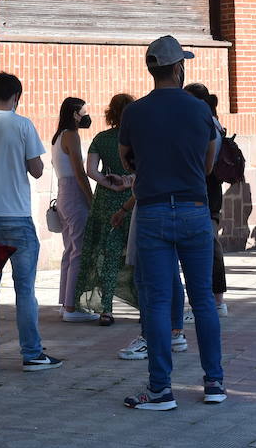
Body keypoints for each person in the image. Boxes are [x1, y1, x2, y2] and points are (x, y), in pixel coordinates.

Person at [118, 36, 226, 411]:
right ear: (179, 68)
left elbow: (125, 158)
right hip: (195, 209)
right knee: (203, 301)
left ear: (151, 69)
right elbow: (210, 162)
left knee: (158, 302)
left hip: (152, 211)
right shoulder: (200, 110)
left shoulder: (134, 112)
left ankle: (161, 389)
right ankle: (214, 383)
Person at [0, 73, 62, 372]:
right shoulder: (22, 124)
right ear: (16, 95)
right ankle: (31, 353)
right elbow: (37, 170)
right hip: (16, 216)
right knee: (25, 288)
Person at [75, 93, 136, 326]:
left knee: (109, 255)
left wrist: (108, 182)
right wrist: (127, 180)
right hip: (133, 197)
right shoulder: (138, 138)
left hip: (106, 199)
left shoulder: (101, 138)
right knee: (137, 254)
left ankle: (106, 309)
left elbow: (90, 170)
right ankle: (146, 306)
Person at [50, 97, 98, 324]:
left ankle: (66, 303)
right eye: (83, 111)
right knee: (79, 250)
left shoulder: (58, 136)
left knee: (70, 250)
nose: (86, 115)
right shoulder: (71, 135)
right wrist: (91, 200)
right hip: (74, 193)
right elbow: (80, 172)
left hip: (63, 193)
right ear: (74, 114)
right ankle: (71, 306)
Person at [185, 83, 229, 316]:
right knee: (208, 246)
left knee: (208, 247)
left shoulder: (206, 124)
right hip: (208, 191)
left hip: (205, 191)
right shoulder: (212, 122)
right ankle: (214, 301)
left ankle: (214, 301)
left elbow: (205, 165)